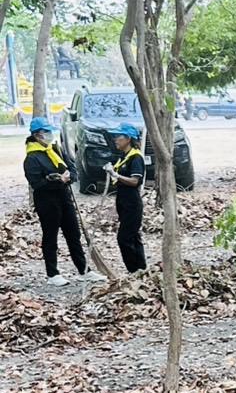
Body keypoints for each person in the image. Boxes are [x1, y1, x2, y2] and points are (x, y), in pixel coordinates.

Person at [22, 116, 94, 285]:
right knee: (50, 236)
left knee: (73, 234)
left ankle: (84, 270)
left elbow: (71, 166)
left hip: (64, 197)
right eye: (46, 132)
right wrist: (55, 180)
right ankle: (52, 274)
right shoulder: (32, 158)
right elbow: (36, 184)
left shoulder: (56, 150)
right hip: (47, 202)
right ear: (37, 135)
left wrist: (70, 176)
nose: (49, 135)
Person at [104, 123, 147, 272]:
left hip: (132, 203)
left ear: (128, 138)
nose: (115, 139)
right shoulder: (124, 156)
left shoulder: (135, 158)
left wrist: (116, 175)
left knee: (124, 238)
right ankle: (141, 269)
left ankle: (133, 269)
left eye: (118, 136)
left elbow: (135, 181)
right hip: (123, 201)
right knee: (134, 236)